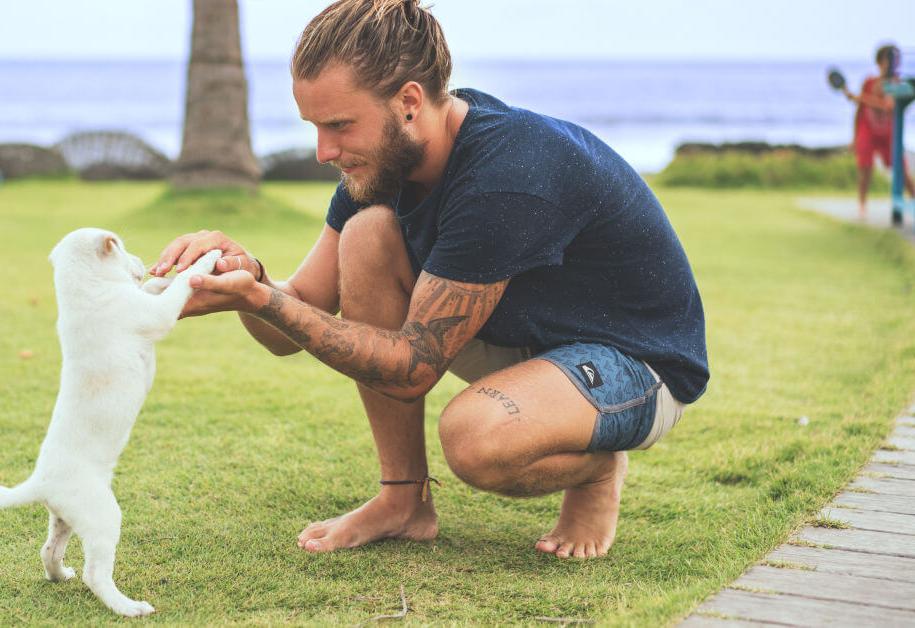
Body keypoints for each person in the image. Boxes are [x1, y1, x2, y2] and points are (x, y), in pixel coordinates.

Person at [149, 0, 708, 559]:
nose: (324, 152)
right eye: (315, 126)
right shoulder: (382, 166)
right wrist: (247, 276)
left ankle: (595, 472)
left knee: (476, 440)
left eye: (339, 125)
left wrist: (263, 301)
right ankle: (403, 501)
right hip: (527, 341)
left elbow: (412, 368)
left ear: (409, 102)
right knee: (366, 235)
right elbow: (292, 316)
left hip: (639, 364)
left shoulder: (506, 171)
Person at [839, 43, 915, 221]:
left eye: (895, 60)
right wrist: (855, 136)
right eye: (888, 60)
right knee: (864, 168)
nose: (892, 64)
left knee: (902, 171)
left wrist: (860, 98)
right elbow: (859, 112)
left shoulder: (898, 82)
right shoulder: (869, 82)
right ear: (879, 62)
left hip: (890, 133)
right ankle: (862, 207)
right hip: (869, 130)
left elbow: (888, 106)